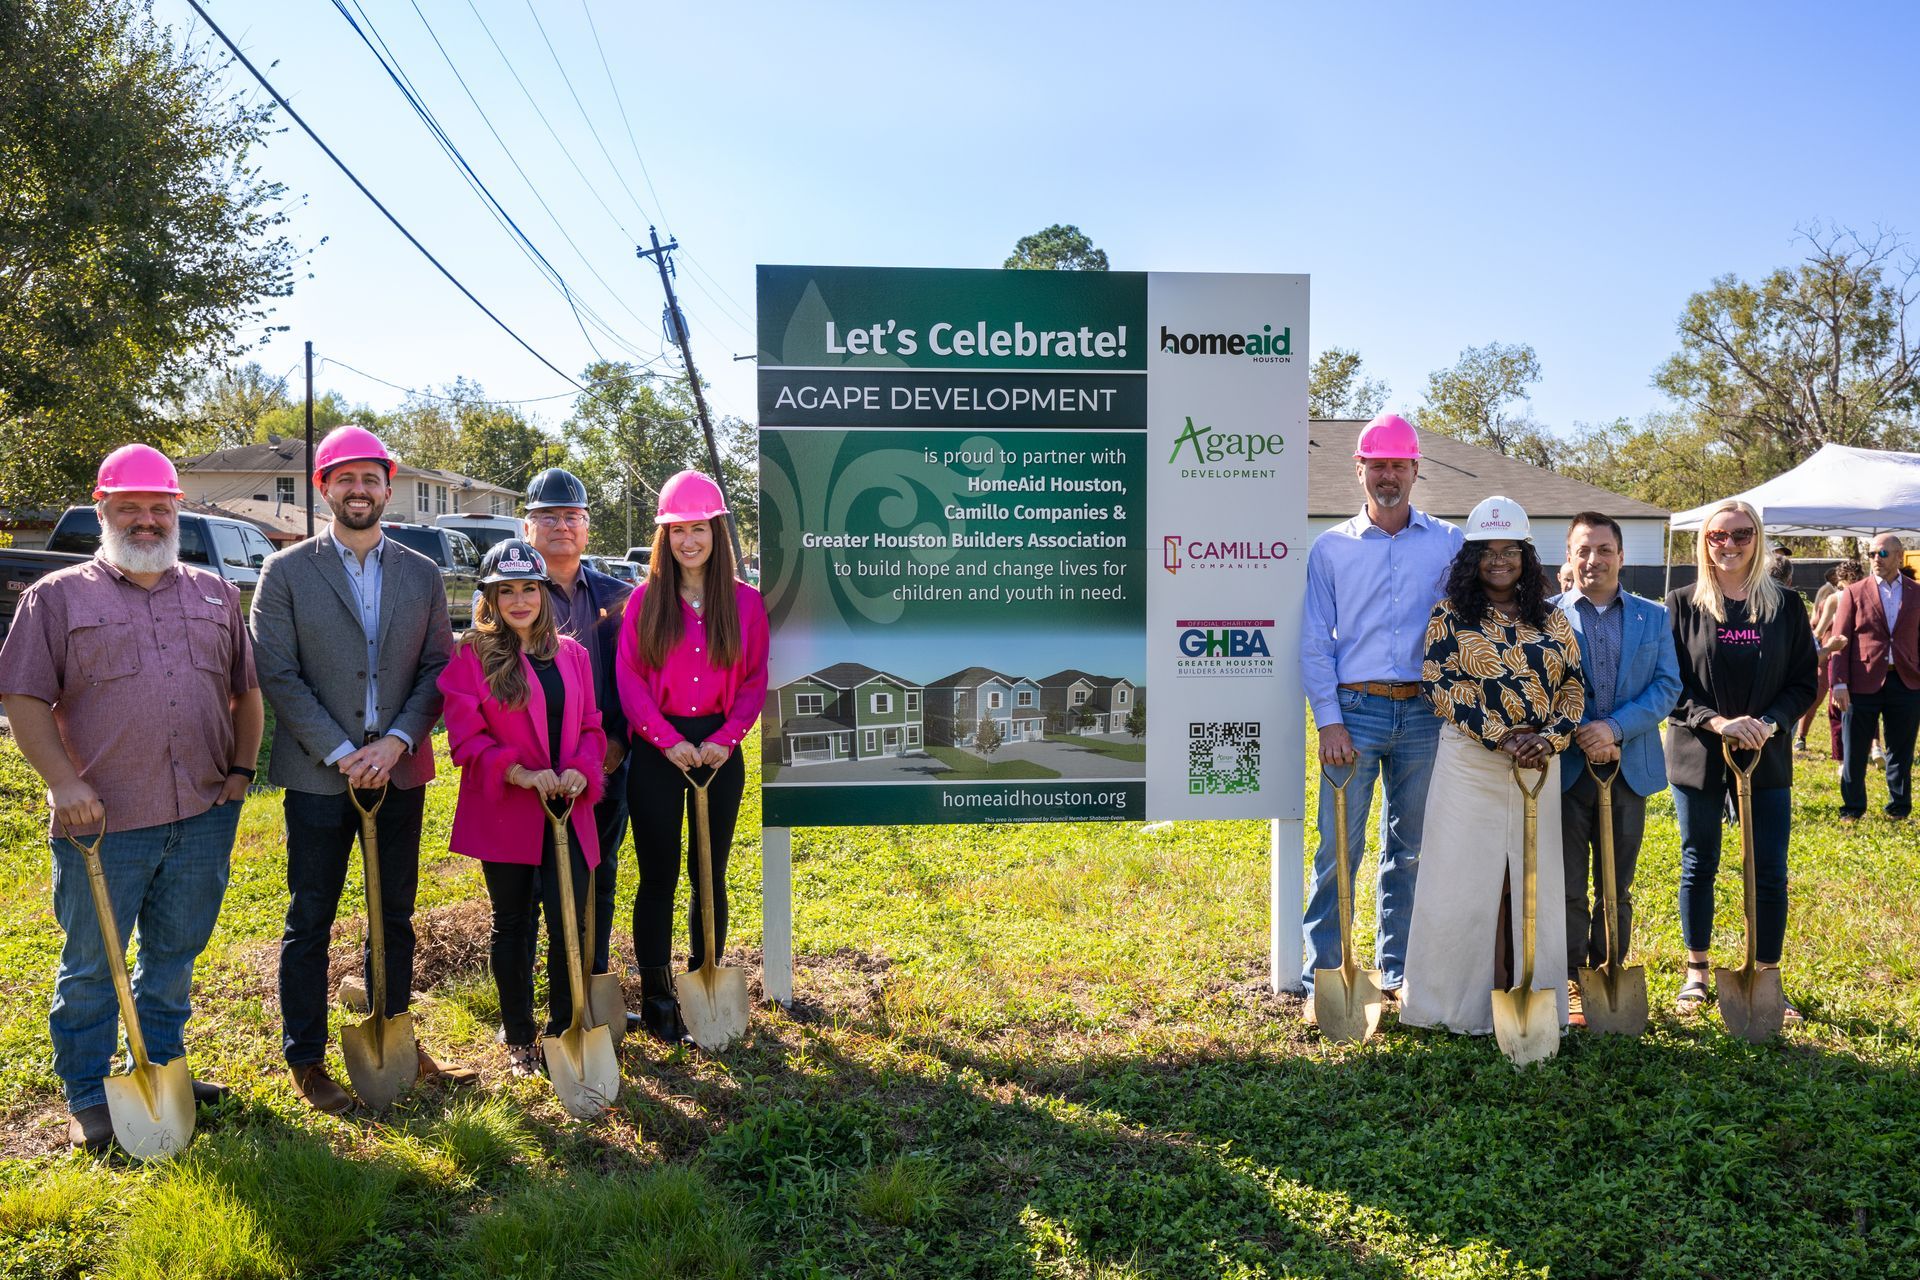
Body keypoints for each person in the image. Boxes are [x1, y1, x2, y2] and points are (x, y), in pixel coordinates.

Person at [0, 445, 261, 1151]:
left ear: (176, 511)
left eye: (158, 508)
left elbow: (247, 692)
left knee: (173, 956)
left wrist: (240, 771)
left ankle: (162, 1066)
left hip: (203, 815)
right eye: (130, 509)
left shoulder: (213, 593)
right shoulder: (54, 599)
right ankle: (88, 1094)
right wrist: (63, 782)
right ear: (103, 511)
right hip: (102, 823)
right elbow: (23, 698)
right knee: (91, 962)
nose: (145, 521)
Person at [249, 425, 472, 1112]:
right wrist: (344, 751)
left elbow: (439, 666)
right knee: (310, 914)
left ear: (387, 485)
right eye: (343, 478)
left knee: (395, 914)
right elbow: (276, 672)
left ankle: (393, 1030)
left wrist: (400, 740)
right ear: (323, 488)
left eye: (369, 478)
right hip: (321, 776)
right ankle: (308, 1059)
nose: (358, 489)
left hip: (398, 770)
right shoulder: (284, 573)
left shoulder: (421, 573)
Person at [1298, 413, 1463, 1016]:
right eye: (1377, 464)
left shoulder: (1449, 544)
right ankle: (1327, 972)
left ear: (1416, 469)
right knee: (1338, 848)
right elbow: (1315, 640)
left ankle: (1399, 969)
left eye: (1398, 464)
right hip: (1356, 712)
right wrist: (1329, 721)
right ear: (1360, 469)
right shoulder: (1331, 548)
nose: (1387, 474)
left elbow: (1469, 626)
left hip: (1425, 714)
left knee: (1412, 848)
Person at [1402, 497, 1584, 1036]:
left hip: (1538, 767)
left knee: (1533, 880)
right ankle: (1451, 1006)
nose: (1499, 561)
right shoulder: (1450, 617)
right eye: (1487, 551)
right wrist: (1502, 736)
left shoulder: (1551, 617)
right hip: (1470, 763)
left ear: (1527, 558)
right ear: (1471, 558)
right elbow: (1439, 683)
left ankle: (1529, 993)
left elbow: (1573, 684)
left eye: (1511, 552)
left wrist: (1549, 740)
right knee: (1458, 880)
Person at [439, 541, 606, 1074]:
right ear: (489, 596)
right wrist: (521, 773)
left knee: (569, 922)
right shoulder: (472, 655)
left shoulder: (574, 655)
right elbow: (466, 738)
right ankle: (519, 1037)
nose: (518, 600)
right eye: (505, 590)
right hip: (510, 810)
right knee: (513, 922)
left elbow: (591, 728)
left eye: (528, 588)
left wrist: (582, 767)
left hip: (567, 808)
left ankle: (563, 1029)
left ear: (543, 593)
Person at [615, 470, 769, 1041]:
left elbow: (754, 681)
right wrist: (666, 740)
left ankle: (704, 976)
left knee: (710, 873)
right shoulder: (644, 602)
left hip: (720, 751)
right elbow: (629, 679)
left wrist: (726, 739)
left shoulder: (746, 605)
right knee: (657, 876)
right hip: (660, 750)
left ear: (716, 531)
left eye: (699, 528)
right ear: (665, 536)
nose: (688, 541)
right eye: (677, 530)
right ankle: (657, 997)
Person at [1665, 500, 1818, 1018]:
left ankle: (1768, 975)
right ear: (1703, 542)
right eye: (1717, 536)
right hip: (1699, 752)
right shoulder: (1683, 603)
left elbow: (1803, 681)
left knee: (1769, 867)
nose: (1728, 545)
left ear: (1758, 539)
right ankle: (1697, 973)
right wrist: (1718, 722)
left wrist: (1768, 723)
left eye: (1741, 535)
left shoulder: (1786, 605)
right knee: (1697, 861)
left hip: (1765, 753)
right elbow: (1672, 684)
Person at [516, 467, 637, 1032]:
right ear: (527, 527)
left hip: (607, 763)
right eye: (548, 517)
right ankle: (541, 1007)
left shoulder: (620, 598)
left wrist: (610, 751)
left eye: (572, 517)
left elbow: (635, 682)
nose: (561, 526)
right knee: (533, 889)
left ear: (587, 529)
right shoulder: (516, 597)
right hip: (532, 771)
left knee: (600, 873)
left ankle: (591, 985)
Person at [1550, 512, 1679, 1028]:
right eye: (1582, 550)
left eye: (1603, 550)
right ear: (1569, 556)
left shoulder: (1653, 617)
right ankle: (1571, 982)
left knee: (1615, 886)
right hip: (1566, 772)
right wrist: (1585, 730)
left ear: (1621, 557)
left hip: (1630, 771)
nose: (1593, 560)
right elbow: (1541, 686)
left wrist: (1616, 729)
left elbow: (1668, 686)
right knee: (1567, 888)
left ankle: (1609, 970)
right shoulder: (1547, 616)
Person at [1829, 534, 1919, 822]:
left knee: (1901, 750)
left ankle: (1899, 807)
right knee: (1854, 750)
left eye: (1881, 554)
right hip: (1861, 683)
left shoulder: (1916, 593)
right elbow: (1839, 639)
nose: (1875, 560)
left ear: (1898, 556)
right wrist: (1838, 682)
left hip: (1905, 681)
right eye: (1871, 554)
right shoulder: (1854, 592)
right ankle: (1853, 808)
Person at [1799, 564, 1859, 753]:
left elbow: (1818, 629)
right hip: (1850, 656)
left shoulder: (1835, 596)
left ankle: (1801, 737)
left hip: (1830, 654)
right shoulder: (1859, 595)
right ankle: (1873, 746)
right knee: (1858, 701)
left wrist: (1810, 648)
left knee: (1817, 698)